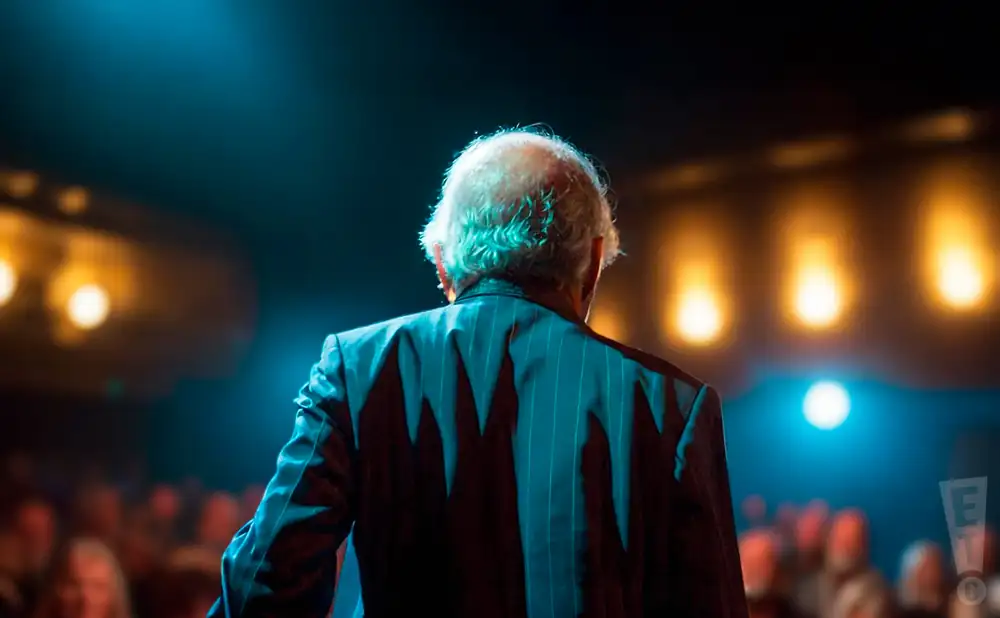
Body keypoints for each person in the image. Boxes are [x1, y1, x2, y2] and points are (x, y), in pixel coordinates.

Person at [210, 128, 747, 618]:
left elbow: (266, 583)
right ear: (593, 262)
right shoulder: (672, 405)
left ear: (442, 261)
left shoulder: (358, 368)